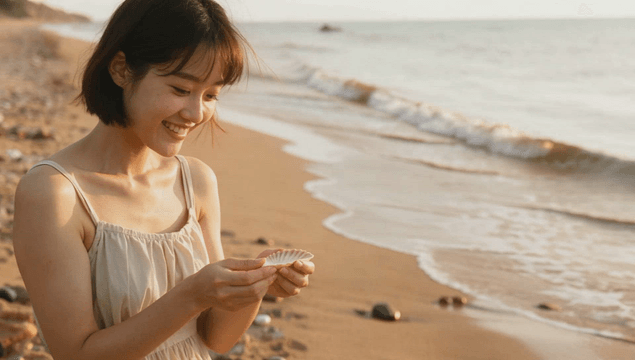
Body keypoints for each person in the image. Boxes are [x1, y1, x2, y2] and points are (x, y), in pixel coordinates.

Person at [11, 0, 315, 359]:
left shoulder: (196, 181)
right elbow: (77, 353)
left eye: (212, 94)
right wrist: (191, 296)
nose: (196, 112)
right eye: (181, 89)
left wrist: (253, 288)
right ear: (122, 69)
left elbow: (214, 338)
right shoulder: (54, 194)